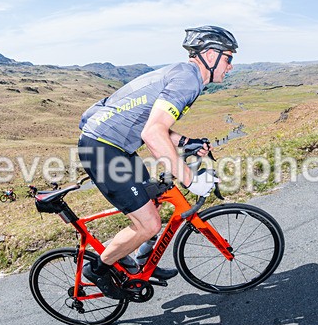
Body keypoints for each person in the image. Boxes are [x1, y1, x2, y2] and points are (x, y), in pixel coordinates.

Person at [77, 25, 236, 298]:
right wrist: (190, 179)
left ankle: (141, 261)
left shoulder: (182, 73)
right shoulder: (188, 80)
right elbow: (152, 134)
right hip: (102, 150)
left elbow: (151, 123)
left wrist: (186, 142)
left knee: (153, 200)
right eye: (229, 58)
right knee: (148, 224)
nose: (230, 66)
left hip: (114, 147)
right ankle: (98, 270)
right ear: (211, 55)